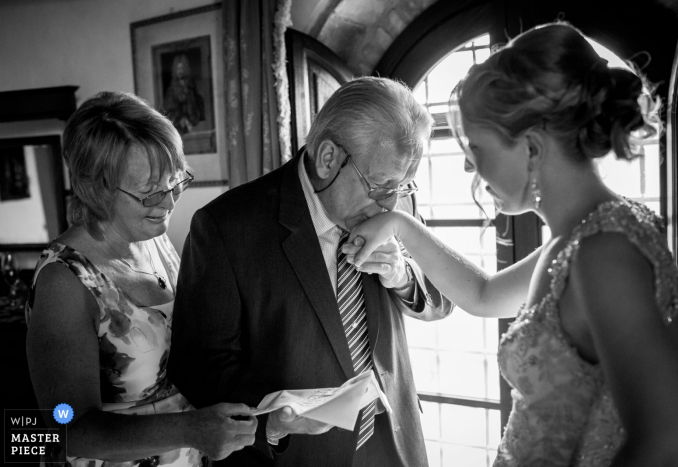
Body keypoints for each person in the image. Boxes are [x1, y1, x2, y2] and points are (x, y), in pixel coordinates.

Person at [346, 22, 678, 467]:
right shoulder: (585, 236)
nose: (469, 169)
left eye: (476, 149)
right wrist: (400, 223)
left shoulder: (604, 253)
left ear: (531, 147)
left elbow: (674, 439)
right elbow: (483, 294)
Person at [168, 77, 454, 467]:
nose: (390, 204)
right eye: (380, 186)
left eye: (402, 187)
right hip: (296, 456)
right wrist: (272, 418)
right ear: (328, 158)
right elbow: (199, 364)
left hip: (394, 443)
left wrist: (401, 274)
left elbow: (443, 298)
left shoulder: (396, 200)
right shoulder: (226, 227)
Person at [25, 91, 258, 466]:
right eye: (149, 193)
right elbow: (62, 428)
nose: (167, 203)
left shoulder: (155, 240)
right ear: (95, 187)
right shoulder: (64, 283)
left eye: (174, 182)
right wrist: (189, 429)